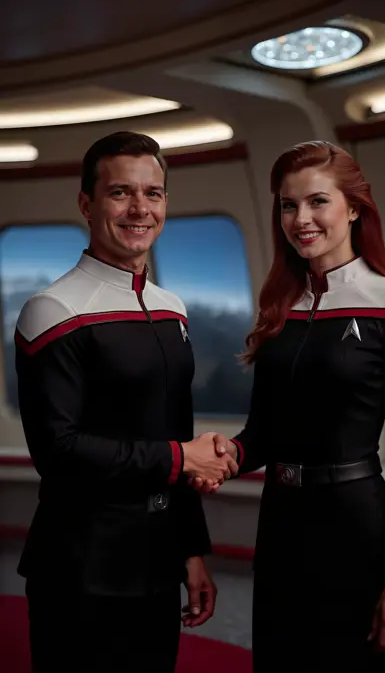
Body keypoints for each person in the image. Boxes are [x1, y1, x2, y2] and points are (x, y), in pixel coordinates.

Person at [201, 141, 385, 672]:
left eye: (317, 202)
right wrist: (225, 454)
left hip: (357, 529)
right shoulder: (280, 309)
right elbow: (262, 434)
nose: (300, 219)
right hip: (281, 528)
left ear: (353, 208)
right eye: (288, 205)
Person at [14, 130, 238, 673]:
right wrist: (182, 457)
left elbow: (175, 429)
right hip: (81, 565)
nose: (140, 209)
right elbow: (58, 451)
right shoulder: (51, 310)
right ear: (86, 204)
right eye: (120, 193)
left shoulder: (172, 309)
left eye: (152, 193)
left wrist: (191, 552)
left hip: (158, 559)